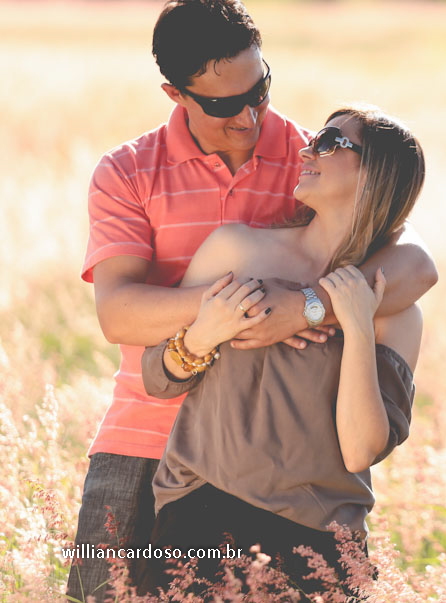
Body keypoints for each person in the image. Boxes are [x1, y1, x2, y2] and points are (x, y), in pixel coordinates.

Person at [68, 0, 437, 601]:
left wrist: (306, 305)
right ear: (175, 94)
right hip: (143, 436)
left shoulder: (304, 156)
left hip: (272, 466)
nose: (248, 117)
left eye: (259, 91)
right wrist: (243, 307)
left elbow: (417, 263)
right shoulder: (126, 171)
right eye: (224, 104)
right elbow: (119, 314)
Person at [135, 104, 425, 596]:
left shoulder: (394, 311)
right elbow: (157, 377)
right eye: (315, 138)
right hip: (202, 514)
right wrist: (204, 333)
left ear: (377, 174)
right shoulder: (237, 250)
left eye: (331, 142)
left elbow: (361, 450)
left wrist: (354, 325)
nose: (308, 149)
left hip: (320, 540)